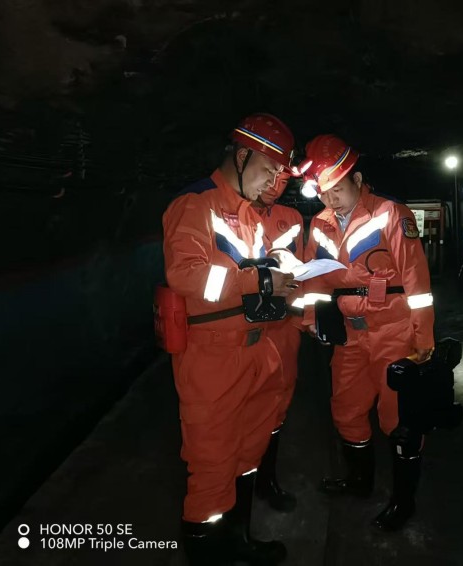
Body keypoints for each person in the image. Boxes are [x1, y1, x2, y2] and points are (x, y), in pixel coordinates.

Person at [162, 113, 296, 565]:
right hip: (212, 359)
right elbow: (186, 276)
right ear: (241, 156)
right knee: (213, 465)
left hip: (256, 350)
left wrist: (276, 275)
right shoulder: (194, 204)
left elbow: (250, 273)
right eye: (268, 170)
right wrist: (259, 281)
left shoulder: (249, 214)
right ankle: (208, 554)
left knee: (248, 451)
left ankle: (238, 544)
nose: (272, 183)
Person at [299, 134, 435, 531]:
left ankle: (403, 500)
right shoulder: (320, 224)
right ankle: (360, 481)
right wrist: (311, 318)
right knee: (346, 409)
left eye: (338, 190)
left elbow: (417, 281)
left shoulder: (391, 213)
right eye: (324, 193)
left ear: (357, 180)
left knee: (399, 418)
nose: (332, 200)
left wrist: (423, 337)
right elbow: (313, 278)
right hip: (350, 335)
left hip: (394, 332)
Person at [250, 171, 305, 512]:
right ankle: (236, 480)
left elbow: (301, 273)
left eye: (283, 181)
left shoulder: (292, 217)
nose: (275, 187)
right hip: (245, 327)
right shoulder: (229, 214)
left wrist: (300, 320)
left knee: (278, 402)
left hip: (283, 327)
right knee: (242, 403)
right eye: (271, 177)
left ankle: (267, 480)